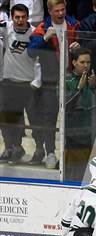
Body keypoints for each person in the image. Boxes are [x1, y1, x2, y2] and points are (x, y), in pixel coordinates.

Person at [27, 0, 80, 168]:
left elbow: (85, 48)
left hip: (70, 79)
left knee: (72, 118)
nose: (60, 13)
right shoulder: (42, 28)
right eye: (57, 10)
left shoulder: (74, 24)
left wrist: (78, 48)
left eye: (63, 9)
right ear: (49, 11)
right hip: (50, 81)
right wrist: (45, 38)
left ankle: (70, 153)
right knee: (49, 118)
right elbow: (31, 52)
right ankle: (50, 152)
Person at [0, 4, 39, 164]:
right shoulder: (6, 27)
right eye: (17, 17)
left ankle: (41, 150)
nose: (20, 20)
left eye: (23, 17)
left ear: (28, 16)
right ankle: (12, 147)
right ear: (11, 17)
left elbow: (39, 59)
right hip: (8, 81)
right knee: (5, 117)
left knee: (34, 119)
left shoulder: (35, 32)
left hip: (29, 84)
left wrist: (37, 81)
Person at [64, 47, 96, 182]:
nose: (86, 65)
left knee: (94, 177)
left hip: (94, 137)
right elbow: (65, 106)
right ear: (74, 63)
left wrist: (95, 89)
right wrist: (78, 89)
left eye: (88, 62)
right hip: (74, 137)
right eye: (82, 62)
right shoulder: (66, 81)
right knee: (74, 177)